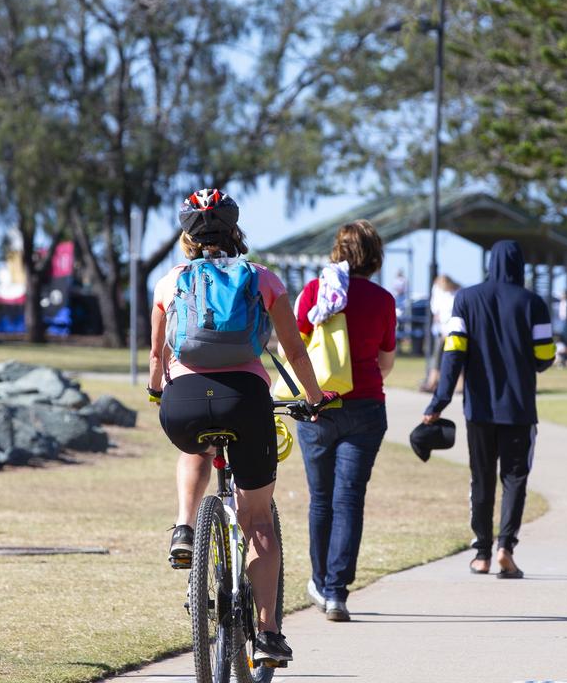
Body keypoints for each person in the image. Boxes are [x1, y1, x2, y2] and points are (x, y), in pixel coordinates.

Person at [148, 189, 331, 665]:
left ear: (187, 235)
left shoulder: (170, 281)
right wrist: (314, 398)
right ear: (235, 231)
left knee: (194, 445)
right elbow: (293, 351)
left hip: (183, 402)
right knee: (258, 521)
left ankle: (186, 528)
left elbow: (157, 357)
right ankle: (268, 633)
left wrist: (157, 391)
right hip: (246, 400)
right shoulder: (262, 278)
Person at [423, 240, 554, 578]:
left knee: (481, 478)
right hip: (520, 409)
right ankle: (505, 548)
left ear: (490, 264)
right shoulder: (534, 303)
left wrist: (439, 401)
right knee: (514, 478)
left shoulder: (465, 300)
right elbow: (545, 356)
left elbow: (453, 354)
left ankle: (481, 553)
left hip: (478, 408)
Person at [295, 221, 396, 622]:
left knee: (321, 500)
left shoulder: (314, 293)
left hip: (318, 407)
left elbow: (297, 343)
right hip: (367, 407)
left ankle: (319, 582)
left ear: (338, 250)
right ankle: (336, 592)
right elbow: (386, 362)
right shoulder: (383, 300)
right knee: (349, 500)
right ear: (374, 256)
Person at [423, 275, 459, 391]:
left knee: (454, 356)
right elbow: (436, 312)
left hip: (453, 330)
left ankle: (459, 384)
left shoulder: (457, 292)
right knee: (438, 357)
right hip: (442, 330)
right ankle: (433, 381)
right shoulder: (438, 291)